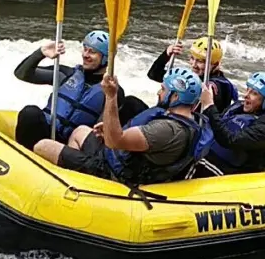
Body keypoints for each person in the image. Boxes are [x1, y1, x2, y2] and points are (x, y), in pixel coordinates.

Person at [31, 67, 213, 186]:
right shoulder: (190, 120)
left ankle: (79, 185)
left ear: (175, 97)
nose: (159, 92)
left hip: (116, 174)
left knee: (42, 146)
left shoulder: (167, 130)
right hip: (121, 160)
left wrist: (111, 96)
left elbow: (115, 141)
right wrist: (109, 131)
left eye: (164, 89)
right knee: (80, 131)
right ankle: (77, 182)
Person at [13, 30, 130, 150]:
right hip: (46, 132)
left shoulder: (112, 91)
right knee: (30, 112)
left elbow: (101, 130)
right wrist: (41, 53)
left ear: (106, 59)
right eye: (85, 49)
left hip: (71, 146)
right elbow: (21, 74)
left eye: (92, 52)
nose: (85, 55)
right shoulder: (66, 74)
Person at [190, 72, 265, 178]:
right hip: (212, 159)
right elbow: (217, 124)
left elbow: (230, 140)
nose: (246, 95)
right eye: (248, 89)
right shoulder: (240, 107)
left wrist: (209, 106)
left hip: (233, 173)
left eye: (254, 93)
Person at [147, 36, 238, 112]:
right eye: (192, 58)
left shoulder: (216, 86)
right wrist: (166, 55)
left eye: (200, 61)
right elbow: (154, 74)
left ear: (216, 64)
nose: (193, 64)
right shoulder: (193, 78)